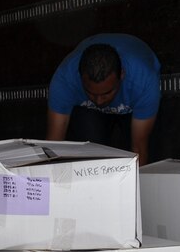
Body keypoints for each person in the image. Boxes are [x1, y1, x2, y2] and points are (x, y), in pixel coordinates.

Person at [46, 33, 160, 165]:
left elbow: (139, 147)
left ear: (122, 75)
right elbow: (54, 143)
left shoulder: (143, 80)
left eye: (107, 93)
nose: (99, 101)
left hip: (134, 102)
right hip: (88, 111)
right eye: (91, 93)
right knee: (91, 152)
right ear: (80, 77)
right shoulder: (64, 80)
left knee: (138, 150)